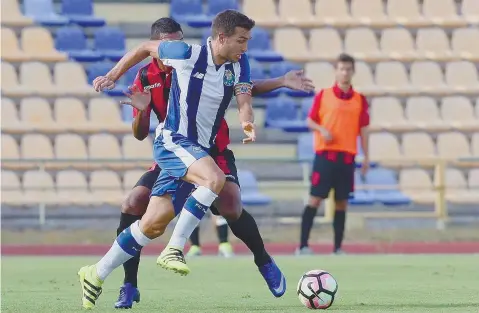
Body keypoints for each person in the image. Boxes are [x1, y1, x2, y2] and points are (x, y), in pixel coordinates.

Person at [78, 11, 313, 309]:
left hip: (201, 149)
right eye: (242, 40)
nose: (246, 46)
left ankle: (95, 273)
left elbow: (244, 101)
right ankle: (174, 249)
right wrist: (112, 76)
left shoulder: (239, 64)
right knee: (213, 180)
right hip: (174, 141)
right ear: (222, 37)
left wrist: (249, 123)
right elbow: (143, 49)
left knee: (151, 225)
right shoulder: (187, 53)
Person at [296, 53, 370, 256]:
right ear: (336, 71)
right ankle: (303, 245)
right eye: (341, 68)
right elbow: (310, 121)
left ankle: (337, 247)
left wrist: (366, 156)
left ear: (353, 71)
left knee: (341, 202)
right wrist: (322, 129)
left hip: (347, 156)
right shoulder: (324, 95)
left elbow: (364, 130)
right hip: (325, 155)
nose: (345, 72)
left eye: (348, 69)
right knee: (315, 199)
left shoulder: (359, 100)